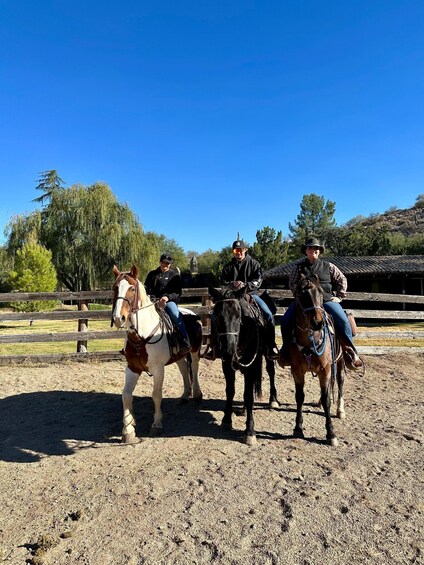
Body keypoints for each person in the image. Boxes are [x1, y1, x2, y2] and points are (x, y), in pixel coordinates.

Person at [279, 237, 363, 371]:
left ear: (319, 251)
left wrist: (340, 296)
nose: (313, 250)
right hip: (304, 303)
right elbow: (292, 283)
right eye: (310, 248)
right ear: (306, 250)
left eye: (316, 248)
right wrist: (299, 294)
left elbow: (342, 279)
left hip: (326, 300)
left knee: (343, 321)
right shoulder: (298, 267)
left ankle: (351, 353)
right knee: (285, 320)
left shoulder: (328, 266)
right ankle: (285, 352)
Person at [204, 239, 279, 360]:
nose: (238, 252)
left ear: (245, 250)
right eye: (235, 250)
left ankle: (270, 346)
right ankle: (214, 347)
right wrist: (232, 285)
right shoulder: (228, 267)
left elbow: (258, 280)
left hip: (251, 294)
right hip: (231, 297)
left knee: (268, 314)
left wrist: (245, 285)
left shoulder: (254, 264)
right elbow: (222, 282)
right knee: (214, 317)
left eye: (240, 250)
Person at [144, 253, 191, 355]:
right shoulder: (152, 274)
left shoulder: (174, 275)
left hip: (168, 302)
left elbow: (178, 292)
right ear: (160, 262)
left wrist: (167, 297)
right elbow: (146, 288)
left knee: (175, 314)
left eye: (167, 263)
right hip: (152, 301)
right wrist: (148, 296)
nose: (165, 265)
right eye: (163, 263)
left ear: (170, 264)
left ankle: (184, 341)